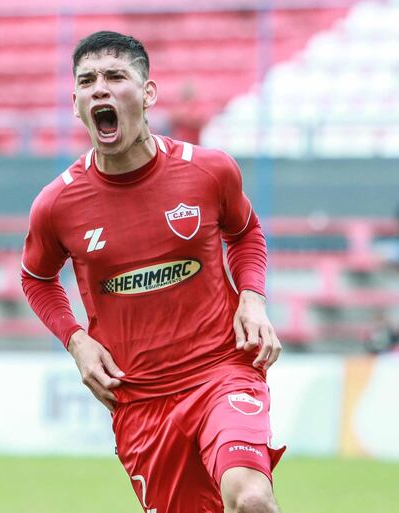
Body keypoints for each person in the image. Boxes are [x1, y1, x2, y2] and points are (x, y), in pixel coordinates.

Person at [21, 32, 285, 513]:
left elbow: (245, 231)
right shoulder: (56, 204)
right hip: (139, 398)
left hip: (221, 370)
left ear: (147, 94)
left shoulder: (209, 171)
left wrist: (252, 297)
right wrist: (75, 340)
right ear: (76, 104)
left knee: (251, 500)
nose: (100, 88)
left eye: (116, 76)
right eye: (87, 80)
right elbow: (36, 278)